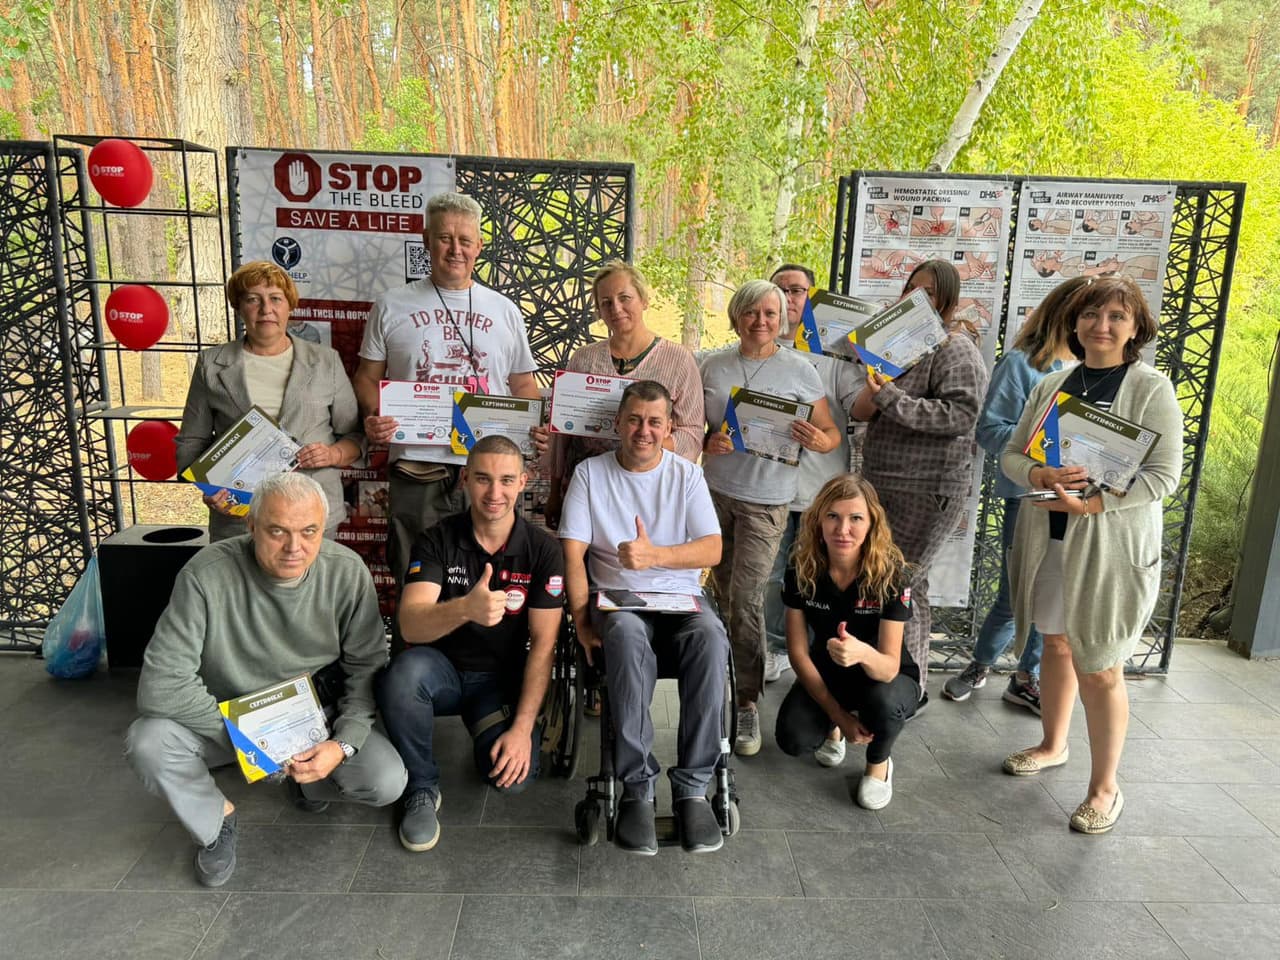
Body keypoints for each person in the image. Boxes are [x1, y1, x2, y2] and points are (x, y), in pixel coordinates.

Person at [124, 472, 407, 887]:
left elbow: (366, 666)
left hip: (316, 716)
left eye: (309, 531)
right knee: (148, 741)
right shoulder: (206, 575)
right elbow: (161, 685)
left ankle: (306, 781)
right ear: (251, 525)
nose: (295, 547)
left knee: (386, 781)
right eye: (278, 531)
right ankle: (215, 820)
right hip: (227, 717)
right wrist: (252, 743)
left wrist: (342, 743)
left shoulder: (346, 571)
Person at [999, 276, 1181, 834]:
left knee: (1100, 665)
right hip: (1048, 540)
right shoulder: (1052, 384)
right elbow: (1011, 455)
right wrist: (1039, 474)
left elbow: (1163, 476)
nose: (1101, 326)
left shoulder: (1151, 389)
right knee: (1055, 643)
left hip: (1109, 549)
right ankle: (1053, 744)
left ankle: (1105, 789)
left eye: (1116, 317)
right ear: (1074, 324)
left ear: (1136, 327)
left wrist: (1095, 504)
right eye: (1091, 315)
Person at [354, 192, 548, 622]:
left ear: (479, 245)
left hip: (488, 471)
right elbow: (367, 377)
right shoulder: (392, 304)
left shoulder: (505, 310)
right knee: (416, 581)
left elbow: (523, 385)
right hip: (417, 467)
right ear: (426, 240)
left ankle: (488, 662)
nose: (455, 249)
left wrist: (533, 425)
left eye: (465, 240)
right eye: (444, 238)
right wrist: (373, 414)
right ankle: (415, 661)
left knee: (492, 581)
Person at [559, 380, 729, 855]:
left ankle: (693, 788)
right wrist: (582, 622)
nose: (644, 430)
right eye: (634, 420)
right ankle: (637, 786)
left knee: (712, 638)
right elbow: (572, 556)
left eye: (655, 422)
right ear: (617, 422)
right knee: (626, 634)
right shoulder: (590, 474)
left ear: (669, 427)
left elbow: (712, 549)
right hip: (618, 601)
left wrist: (655, 556)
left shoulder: (686, 475)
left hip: (681, 599)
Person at [376, 435, 564, 852]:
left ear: (523, 482)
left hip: (498, 683)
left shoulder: (543, 550)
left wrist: (522, 729)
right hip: (440, 672)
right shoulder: (436, 539)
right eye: (482, 479)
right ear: (465, 480)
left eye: (506, 480)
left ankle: (491, 728)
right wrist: (466, 609)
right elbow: (411, 625)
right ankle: (421, 787)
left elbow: (544, 644)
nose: (494, 492)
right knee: (402, 675)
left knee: (511, 780)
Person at [701, 280, 841, 756]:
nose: (760, 321)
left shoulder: (800, 370)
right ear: (735, 316)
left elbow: (829, 432)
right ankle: (717, 679)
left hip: (767, 501)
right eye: (750, 312)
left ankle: (746, 701)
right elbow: (694, 427)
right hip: (715, 495)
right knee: (722, 594)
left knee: (745, 599)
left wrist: (820, 441)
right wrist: (707, 441)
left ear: (782, 319)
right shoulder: (712, 365)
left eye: (769, 313)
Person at [943, 278, 1086, 712]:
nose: (1095, 324)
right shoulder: (1022, 364)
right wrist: (1045, 447)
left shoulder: (1099, 373)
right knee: (1016, 591)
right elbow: (990, 429)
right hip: (1030, 497)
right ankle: (981, 664)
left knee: (1056, 594)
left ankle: (1027, 677)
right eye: (1086, 313)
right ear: (1065, 315)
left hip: (1085, 503)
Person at [850, 259, 989, 698]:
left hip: (927, 490)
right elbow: (862, 409)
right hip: (881, 483)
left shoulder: (956, 348)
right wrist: (876, 389)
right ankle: (906, 682)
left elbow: (962, 415)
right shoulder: (898, 348)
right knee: (904, 584)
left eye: (928, 291)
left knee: (899, 583)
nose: (917, 297)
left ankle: (903, 687)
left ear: (948, 299)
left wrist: (891, 397)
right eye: (912, 287)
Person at [176, 261, 362, 541]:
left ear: (290, 306)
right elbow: (191, 441)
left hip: (311, 514)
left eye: (276, 298)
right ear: (238, 307)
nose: (266, 309)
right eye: (253, 299)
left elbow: (356, 436)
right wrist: (209, 489)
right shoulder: (211, 364)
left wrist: (333, 454)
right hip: (239, 517)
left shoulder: (326, 361)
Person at [763, 263, 864, 768]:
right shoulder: (757, 352)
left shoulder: (835, 356)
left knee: (824, 589)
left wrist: (877, 368)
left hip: (822, 497)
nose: (788, 298)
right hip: (768, 491)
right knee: (773, 579)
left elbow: (861, 410)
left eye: (797, 290)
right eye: (779, 290)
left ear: (811, 298)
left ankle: (831, 680)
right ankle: (776, 650)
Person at [775, 475, 918, 808]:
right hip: (829, 672)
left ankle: (879, 763)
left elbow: (888, 668)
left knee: (883, 704)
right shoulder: (800, 568)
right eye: (833, 516)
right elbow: (798, 653)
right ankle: (833, 729)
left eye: (856, 518)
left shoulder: (892, 574)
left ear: (872, 524)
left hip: (886, 677)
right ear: (818, 520)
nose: (843, 529)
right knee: (793, 739)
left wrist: (862, 652)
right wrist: (838, 716)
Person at [545, 260, 703, 529]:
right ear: (599, 311)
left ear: (644, 300)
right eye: (606, 302)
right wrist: (554, 492)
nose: (616, 308)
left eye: (624, 298)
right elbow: (562, 436)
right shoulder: (583, 359)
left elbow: (692, 434)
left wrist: (642, 443)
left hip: (647, 491)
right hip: (585, 488)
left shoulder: (678, 360)